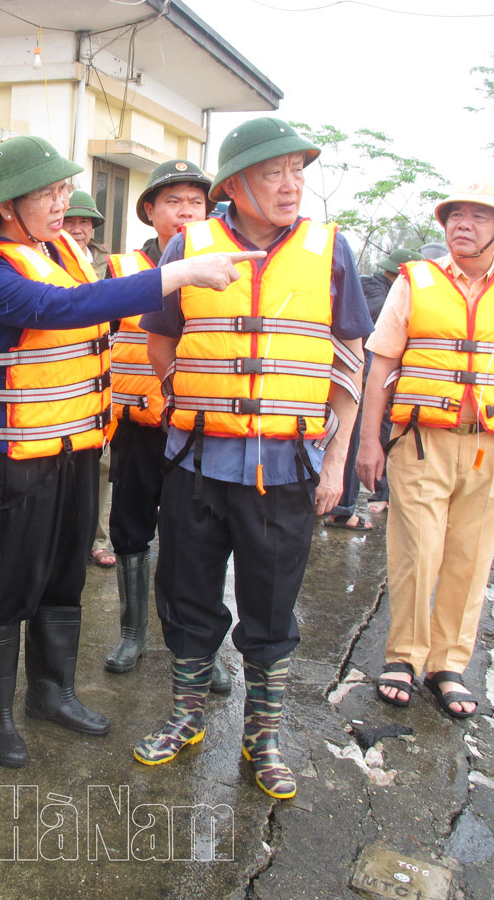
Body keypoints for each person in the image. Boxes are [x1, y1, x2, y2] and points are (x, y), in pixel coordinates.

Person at [0, 136, 260, 768]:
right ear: (7, 206)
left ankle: (52, 694)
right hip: (15, 457)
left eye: (65, 190)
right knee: (9, 584)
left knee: (65, 578)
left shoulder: (60, 250)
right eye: (49, 193)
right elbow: (63, 308)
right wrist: (178, 273)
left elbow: (98, 305)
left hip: (78, 449)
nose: (64, 204)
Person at [135, 118, 373, 801]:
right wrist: (194, 398)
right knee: (185, 592)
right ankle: (186, 716)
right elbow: (160, 341)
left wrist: (334, 463)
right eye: (275, 173)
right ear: (234, 185)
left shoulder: (331, 250)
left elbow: (349, 362)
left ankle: (262, 734)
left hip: (286, 469)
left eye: (299, 171)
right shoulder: (189, 244)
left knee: (271, 604)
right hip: (197, 462)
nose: (292, 184)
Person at [357, 181, 494, 720]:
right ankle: (403, 657)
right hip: (421, 443)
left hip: (493, 450)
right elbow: (380, 367)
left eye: (477, 217)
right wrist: (369, 440)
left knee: (471, 559)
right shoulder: (413, 282)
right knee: (417, 552)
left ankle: (448, 663)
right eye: (455, 215)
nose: (463, 224)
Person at [102, 160, 233, 694]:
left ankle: (201, 648)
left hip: (197, 428)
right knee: (130, 530)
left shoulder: (224, 264)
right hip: (138, 425)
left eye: (195, 203)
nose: (185, 212)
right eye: (173, 202)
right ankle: (133, 634)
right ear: (150, 210)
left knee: (196, 542)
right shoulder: (120, 269)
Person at [325, 247, 423, 528]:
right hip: (360, 377)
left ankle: (353, 501)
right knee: (353, 438)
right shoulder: (381, 294)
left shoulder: (369, 286)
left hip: (352, 375)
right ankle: (343, 508)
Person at [62, 190, 116, 568]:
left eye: (85, 223)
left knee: (101, 464)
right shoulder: (46, 258)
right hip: (58, 375)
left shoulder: (109, 266)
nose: (79, 229)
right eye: (72, 221)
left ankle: (98, 539)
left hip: (100, 376)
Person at [63, 190, 110, 279]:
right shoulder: (48, 261)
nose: (76, 230)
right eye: (68, 221)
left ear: (92, 225)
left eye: (84, 222)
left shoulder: (107, 266)